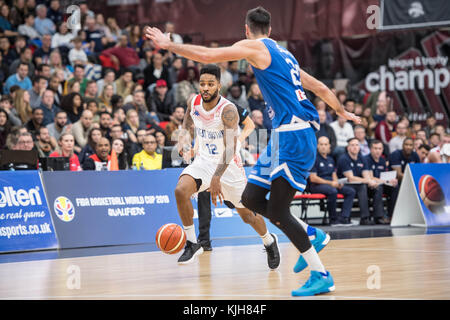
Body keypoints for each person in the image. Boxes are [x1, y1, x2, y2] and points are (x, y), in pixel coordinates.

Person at [145, 6, 362, 296]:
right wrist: (341, 110)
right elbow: (320, 87)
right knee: (251, 198)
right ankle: (312, 234)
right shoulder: (286, 55)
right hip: (282, 136)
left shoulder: (254, 47)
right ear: (270, 30)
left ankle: (321, 274)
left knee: (279, 212)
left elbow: (209, 56)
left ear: (247, 30)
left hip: (295, 135)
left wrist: (169, 45)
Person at [155, 64, 280, 271]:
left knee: (247, 215)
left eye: (210, 84)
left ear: (218, 86)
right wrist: (184, 140)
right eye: (202, 83)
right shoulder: (193, 101)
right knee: (180, 190)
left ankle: (268, 240)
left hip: (229, 166)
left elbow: (230, 148)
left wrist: (216, 178)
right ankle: (193, 242)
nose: (205, 88)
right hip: (203, 161)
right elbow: (187, 121)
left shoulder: (228, 110)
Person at [196, 102, 256, 251]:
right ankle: (204, 240)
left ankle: (261, 227)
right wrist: (196, 148)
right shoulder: (200, 108)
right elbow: (200, 132)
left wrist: (239, 141)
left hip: (228, 157)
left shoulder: (230, 107)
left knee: (236, 202)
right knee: (203, 195)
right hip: (207, 158)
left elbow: (250, 125)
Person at [309, 136, 356, 226]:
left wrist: (337, 183)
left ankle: (344, 218)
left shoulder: (330, 159)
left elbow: (333, 174)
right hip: (316, 185)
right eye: (321, 144)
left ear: (329, 146)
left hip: (330, 184)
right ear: (317, 146)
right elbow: (313, 178)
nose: (323, 146)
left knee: (350, 191)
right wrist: (332, 183)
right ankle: (333, 219)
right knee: (332, 191)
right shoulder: (314, 159)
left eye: (326, 144)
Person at [336, 138, 378, 226]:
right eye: (352, 145)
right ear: (348, 148)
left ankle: (378, 216)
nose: (355, 147)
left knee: (376, 187)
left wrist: (370, 182)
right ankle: (364, 218)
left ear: (359, 147)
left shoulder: (362, 158)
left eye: (357, 145)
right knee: (362, 187)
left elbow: (366, 175)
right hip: (344, 184)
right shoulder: (344, 159)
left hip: (358, 184)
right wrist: (368, 181)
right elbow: (351, 178)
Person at [363, 140, 398, 223]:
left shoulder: (382, 160)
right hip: (369, 186)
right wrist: (385, 181)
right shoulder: (366, 159)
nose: (377, 151)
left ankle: (391, 215)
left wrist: (392, 180)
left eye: (379, 148)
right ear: (371, 149)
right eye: (375, 148)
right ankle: (378, 216)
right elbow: (371, 177)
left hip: (382, 183)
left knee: (395, 187)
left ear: (382, 150)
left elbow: (385, 175)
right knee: (379, 187)